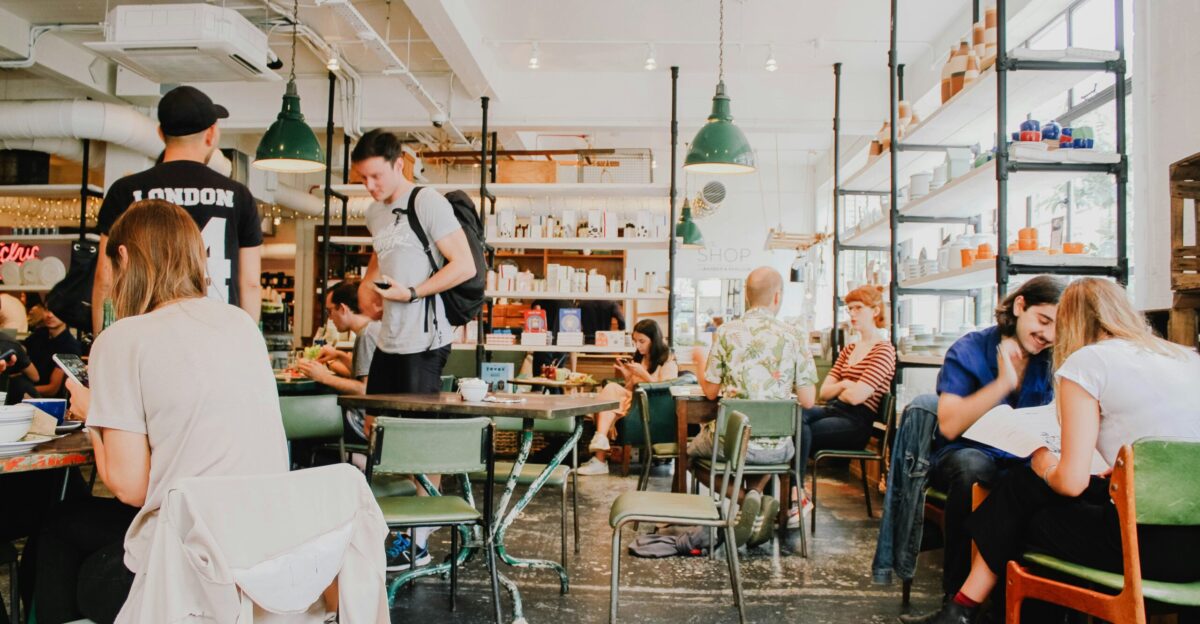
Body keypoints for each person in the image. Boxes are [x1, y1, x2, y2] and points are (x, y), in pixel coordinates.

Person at [30, 200, 288, 624]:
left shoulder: (122, 339)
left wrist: (95, 414)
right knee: (66, 524)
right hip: (258, 553)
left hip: (190, 571)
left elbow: (130, 488)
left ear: (125, 257)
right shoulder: (241, 324)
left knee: (66, 544)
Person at [902, 278, 1200, 624]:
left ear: (1070, 321)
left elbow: (1070, 483)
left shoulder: (1088, 363)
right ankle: (962, 609)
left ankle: (963, 609)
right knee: (1023, 488)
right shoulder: (1185, 357)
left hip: (1143, 549)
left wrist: (1044, 462)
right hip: (1193, 547)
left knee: (1029, 511)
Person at [897, 275, 1064, 622]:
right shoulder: (970, 349)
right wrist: (1004, 383)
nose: (1047, 335)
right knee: (976, 468)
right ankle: (956, 605)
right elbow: (949, 425)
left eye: (1056, 328)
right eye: (1043, 320)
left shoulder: (1052, 358)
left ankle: (1019, 604)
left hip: (1024, 460)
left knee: (1048, 481)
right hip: (962, 457)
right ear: (1020, 307)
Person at [350, 129, 477, 571]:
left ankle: (418, 542)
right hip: (388, 339)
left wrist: (414, 292)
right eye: (363, 179)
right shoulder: (374, 213)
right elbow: (381, 254)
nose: (370, 186)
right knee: (376, 433)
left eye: (376, 176)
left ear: (399, 163)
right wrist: (370, 287)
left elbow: (464, 265)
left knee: (420, 444)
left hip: (425, 340)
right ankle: (385, 529)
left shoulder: (428, 203)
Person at [93, 86, 263, 332]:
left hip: (147, 333)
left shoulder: (126, 191)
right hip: (218, 334)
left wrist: (102, 341)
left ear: (161, 133)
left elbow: (105, 277)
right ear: (211, 134)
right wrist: (248, 345)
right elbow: (250, 283)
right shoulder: (238, 196)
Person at [690, 267, 819, 543]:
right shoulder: (795, 335)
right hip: (780, 448)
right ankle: (755, 498)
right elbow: (808, 400)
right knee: (761, 448)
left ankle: (746, 501)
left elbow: (711, 392)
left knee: (689, 454)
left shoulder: (726, 332)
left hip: (733, 444)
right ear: (777, 297)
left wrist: (700, 362)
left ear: (747, 298)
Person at [801, 285, 896, 481]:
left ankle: (794, 489)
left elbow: (856, 398)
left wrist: (844, 388)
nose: (852, 313)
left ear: (875, 311)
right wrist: (845, 384)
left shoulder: (883, 350)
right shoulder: (849, 348)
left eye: (858, 308)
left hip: (857, 422)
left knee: (800, 431)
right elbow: (824, 393)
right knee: (793, 417)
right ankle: (793, 491)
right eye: (850, 308)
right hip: (833, 410)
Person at [577, 319, 678, 476]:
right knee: (607, 397)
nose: (638, 346)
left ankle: (600, 458)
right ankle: (600, 448)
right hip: (634, 401)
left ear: (654, 339)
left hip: (651, 406)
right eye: (635, 341)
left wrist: (643, 374)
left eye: (642, 341)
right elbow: (630, 388)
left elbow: (666, 390)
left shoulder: (667, 360)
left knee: (607, 398)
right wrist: (628, 375)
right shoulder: (641, 358)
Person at [298, 280, 380, 448]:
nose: (330, 319)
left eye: (330, 312)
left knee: (301, 424)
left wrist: (323, 377)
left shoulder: (366, 336)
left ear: (342, 308)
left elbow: (366, 391)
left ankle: (354, 461)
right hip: (376, 420)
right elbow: (373, 374)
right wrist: (340, 355)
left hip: (362, 423)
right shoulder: (374, 328)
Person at [24, 307, 83, 399]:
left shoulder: (70, 346)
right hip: (29, 393)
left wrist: (22, 390)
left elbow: (52, 389)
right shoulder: (38, 335)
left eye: (55, 311)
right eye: (47, 310)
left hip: (52, 402)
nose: (50, 315)